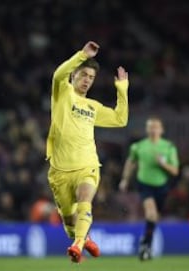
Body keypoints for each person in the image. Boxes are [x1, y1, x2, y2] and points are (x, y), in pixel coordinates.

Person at [46, 41, 129, 263]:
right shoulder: (62, 94)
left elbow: (120, 119)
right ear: (74, 75)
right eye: (83, 75)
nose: (87, 81)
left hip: (87, 165)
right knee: (68, 221)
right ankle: (84, 238)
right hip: (59, 171)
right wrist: (82, 55)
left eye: (91, 78)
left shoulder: (93, 107)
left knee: (85, 200)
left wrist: (122, 88)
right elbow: (57, 75)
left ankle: (78, 244)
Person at [119, 116, 179, 261]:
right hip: (144, 184)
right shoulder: (139, 146)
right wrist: (125, 179)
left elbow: (175, 171)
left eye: (156, 127)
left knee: (154, 218)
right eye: (150, 127)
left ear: (161, 130)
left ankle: (146, 244)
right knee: (151, 213)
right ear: (147, 130)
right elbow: (131, 162)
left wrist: (163, 164)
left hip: (162, 186)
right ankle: (146, 246)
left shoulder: (168, 147)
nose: (153, 130)